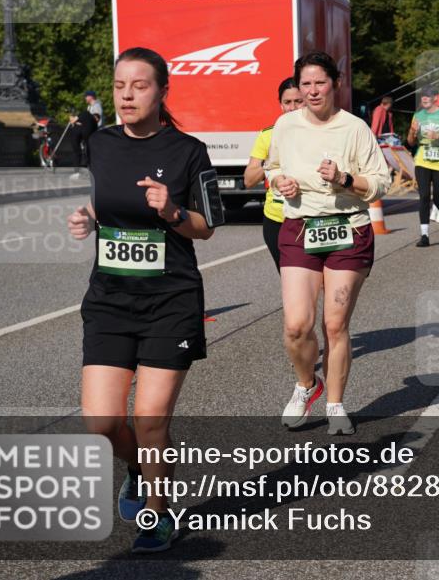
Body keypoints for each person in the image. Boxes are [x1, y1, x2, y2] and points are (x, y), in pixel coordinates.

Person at [67, 47, 217, 553]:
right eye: (119, 86)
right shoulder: (101, 143)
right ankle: (137, 466)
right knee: (102, 423)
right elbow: (106, 197)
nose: (127, 95)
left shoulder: (189, 151)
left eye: (139, 86)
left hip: (169, 300)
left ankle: (159, 511)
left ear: (162, 92)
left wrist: (172, 210)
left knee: (151, 419)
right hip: (109, 299)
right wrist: (87, 216)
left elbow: (207, 227)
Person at [266, 51, 390, 437]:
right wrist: (278, 181)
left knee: (335, 324)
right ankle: (307, 385)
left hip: (347, 230)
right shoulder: (285, 126)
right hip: (300, 229)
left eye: (320, 82)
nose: (312, 91)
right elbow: (272, 167)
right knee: (296, 326)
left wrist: (346, 179)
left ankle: (335, 402)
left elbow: (381, 182)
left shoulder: (354, 129)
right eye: (305, 84)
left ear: (335, 83)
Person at [244, 77, 305, 270]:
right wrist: (270, 163)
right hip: (277, 219)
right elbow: (249, 180)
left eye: (298, 101)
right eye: (287, 102)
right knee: (292, 284)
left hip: (311, 218)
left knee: (319, 283)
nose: (292, 107)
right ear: (280, 105)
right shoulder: (268, 135)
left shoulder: (321, 132)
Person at [407, 85, 439, 247]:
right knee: (424, 196)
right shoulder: (418, 115)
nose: (425, 98)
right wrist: (412, 132)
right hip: (422, 159)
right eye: (423, 96)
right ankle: (424, 235)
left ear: (435, 98)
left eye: (428, 95)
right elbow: (410, 142)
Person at [68, 107, 98, 180]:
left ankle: (77, 172)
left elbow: (72, 121)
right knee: (87, 150)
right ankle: (88, 170)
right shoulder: (89, 116)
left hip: (76, 132)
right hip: (83, 133)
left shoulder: (86, 115)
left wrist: (74, 120)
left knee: (77, 152)